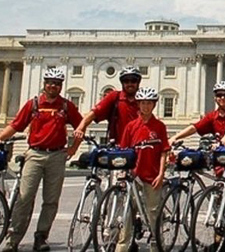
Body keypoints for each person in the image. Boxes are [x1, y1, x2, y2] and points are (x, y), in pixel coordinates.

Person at [0, 67, 83, 252]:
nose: (53, 86)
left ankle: (41, 237)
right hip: (35, 154)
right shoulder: (34, 104)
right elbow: (16, 126)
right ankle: (13, 239)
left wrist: (74, 148)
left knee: (51, 200)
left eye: (57, 84)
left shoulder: (66, 106)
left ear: (61, 86)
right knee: (24, 197)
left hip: (57, 155)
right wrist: (0, 138)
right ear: (44, 84)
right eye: (50, 83)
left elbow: (81, 126)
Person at [118, 87, 170, 252]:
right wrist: (123, 175)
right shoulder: (131, 126)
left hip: (153, 176)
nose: (146, 107)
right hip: (134, 176)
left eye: (149, 103)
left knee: (153, 213)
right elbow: (124, 152)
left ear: (154, 105)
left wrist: (161, 174)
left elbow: (163, 152)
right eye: (143, 103)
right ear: (138, 105)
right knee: (128, 213)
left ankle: (156, 245)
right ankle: (122, 247)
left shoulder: (159, 126)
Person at [73, 65, 141, 143]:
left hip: (139, 145)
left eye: (133, 81)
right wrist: (80, 128)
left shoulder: (143, 100)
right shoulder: (115, 97)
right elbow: (94, 113)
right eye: (126, 81)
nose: (130, 84)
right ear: (122, 83)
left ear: (138, 82)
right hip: (118, 146)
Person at [169, 81, 225, 149]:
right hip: (218, 151)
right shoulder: (212, 115)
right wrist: (175, 137)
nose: (222, 98)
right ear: (215, 98)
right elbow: (195, 127)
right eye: (219, 95)